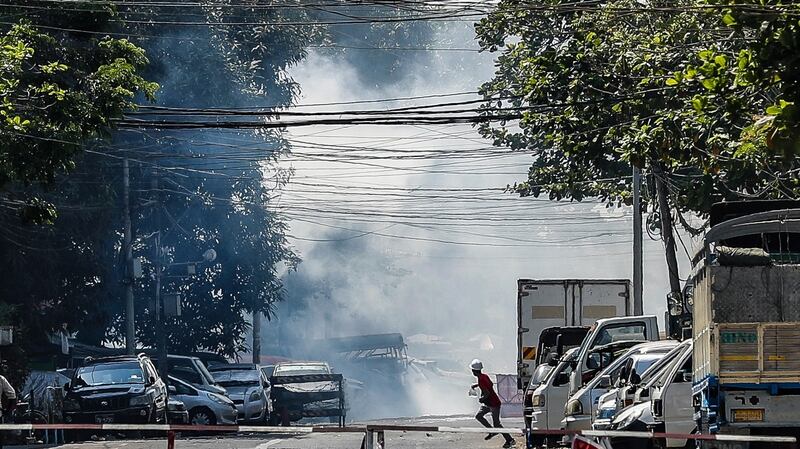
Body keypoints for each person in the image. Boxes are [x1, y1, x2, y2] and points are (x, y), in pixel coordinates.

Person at [470, 359, 515, 448]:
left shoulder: (481, 379)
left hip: (493, 403)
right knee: (479, 416)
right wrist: (476, 385)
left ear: (474, 371)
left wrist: (482, 399)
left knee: (497, 424)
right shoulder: (484, 376)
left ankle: (510, 440)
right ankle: (492, 431)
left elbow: (487, 393)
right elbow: (489, 384)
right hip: (489, 403)